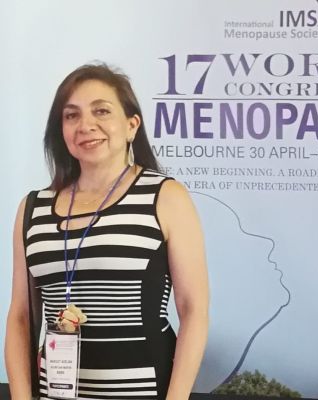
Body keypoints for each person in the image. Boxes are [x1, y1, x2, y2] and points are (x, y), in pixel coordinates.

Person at [5, 63, 209, 400]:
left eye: (101, 111)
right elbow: (21, 318)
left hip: (145, 390)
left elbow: (194, 310)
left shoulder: (165, 196)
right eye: (71, 115)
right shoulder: (32, 209)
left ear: (131, 125)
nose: (86, 125)